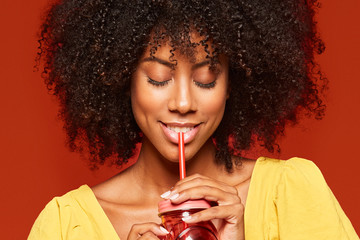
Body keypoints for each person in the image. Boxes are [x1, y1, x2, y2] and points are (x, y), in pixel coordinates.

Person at [28, 0, 359, 239]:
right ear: (122, 77)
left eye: (206, 79)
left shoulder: (290, 195)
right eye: (158, 78)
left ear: (233, 82)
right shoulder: (65, 227)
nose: (183, 103)